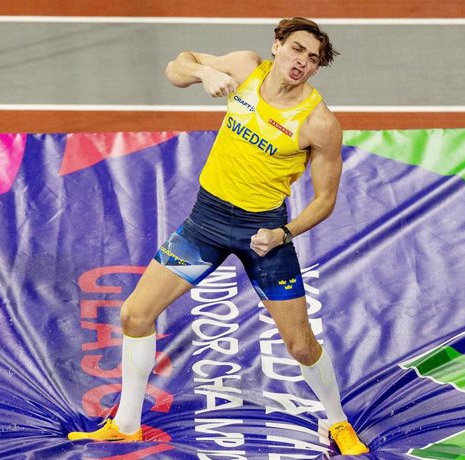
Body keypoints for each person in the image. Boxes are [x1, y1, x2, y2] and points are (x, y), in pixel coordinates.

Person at [67, 17, 369, 455]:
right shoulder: (247, 68)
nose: (302, 61)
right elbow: (177, 66)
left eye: (313, 58)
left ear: (317, 68)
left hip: (262, 234)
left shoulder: (319, 123)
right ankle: (126, 424)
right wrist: (204, 72)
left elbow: (325, 201)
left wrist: (282, 233)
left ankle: (337, 422)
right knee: (135, 314)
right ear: (277, 45)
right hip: (206, 224)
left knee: (301, 345)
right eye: (297, 49)